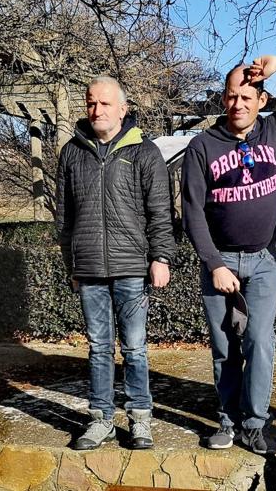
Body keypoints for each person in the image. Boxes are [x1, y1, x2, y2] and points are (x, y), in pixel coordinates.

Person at [181, 55, 276, 455]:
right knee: (224, 348)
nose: (238, 104)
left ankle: (254, 423)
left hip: (263, 261)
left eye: (247, 96)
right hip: (219, 263)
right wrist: (214, 264)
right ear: (223, 99)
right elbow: (192, 212)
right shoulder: (202, 146)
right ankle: (227, 421)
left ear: (262, 99)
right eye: (231, 96)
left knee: (259, 341)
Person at [56, 76, 175, 450]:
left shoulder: (144, 152)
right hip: (88, 267)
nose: (97, 110)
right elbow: (64, 216)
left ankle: (139, 418)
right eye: (91, 103)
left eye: (105, 104)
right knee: (98, 348)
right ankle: (101, 419)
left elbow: (160, 211)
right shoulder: (72, 153)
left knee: (136, 348)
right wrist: (70, 264)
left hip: (131, 268)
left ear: (123, 109)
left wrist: (161, 257)